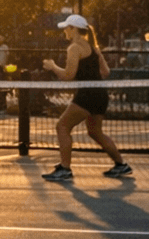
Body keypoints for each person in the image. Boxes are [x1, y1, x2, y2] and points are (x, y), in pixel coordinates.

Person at [40, 14, 132, 181]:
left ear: (73, 29)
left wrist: (53, 67)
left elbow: (68, 75)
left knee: (62, 126)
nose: (65, 32)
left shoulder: (74, 48)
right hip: (100, 94)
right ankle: (121, 165)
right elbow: (105, 72)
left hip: (87, 95)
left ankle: (65, 169)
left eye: (67, 28)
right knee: (95, 131)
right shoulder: (94, 48)